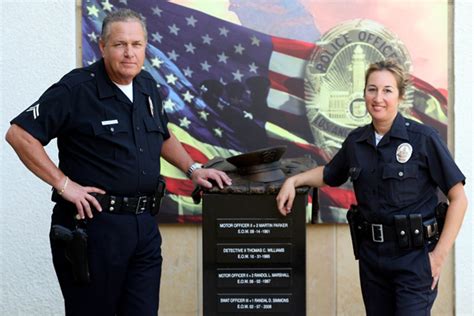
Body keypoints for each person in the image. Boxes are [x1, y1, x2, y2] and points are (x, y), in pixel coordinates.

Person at [5, 8, 231, 316]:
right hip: (93, 228)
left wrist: (193, 169)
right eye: (120, 44)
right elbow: (19, 135)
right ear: (102, 46)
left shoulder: (147, 87)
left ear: (145, 46)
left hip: (143, 228)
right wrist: (65, 184)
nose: (129, 53)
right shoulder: (76, 89)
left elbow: (162, 135)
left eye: (136, 45)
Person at [276, 59, 467, 315]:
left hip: (414, 259)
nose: (378, 98)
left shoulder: (424, 139)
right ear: (364, 93)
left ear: (400, 96)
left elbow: (459, 199)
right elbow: (330, 174)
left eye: (387, 90)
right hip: (372, 260)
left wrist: (438, 257)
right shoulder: (357, 141)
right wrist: (294, 180)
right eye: (372, 89)